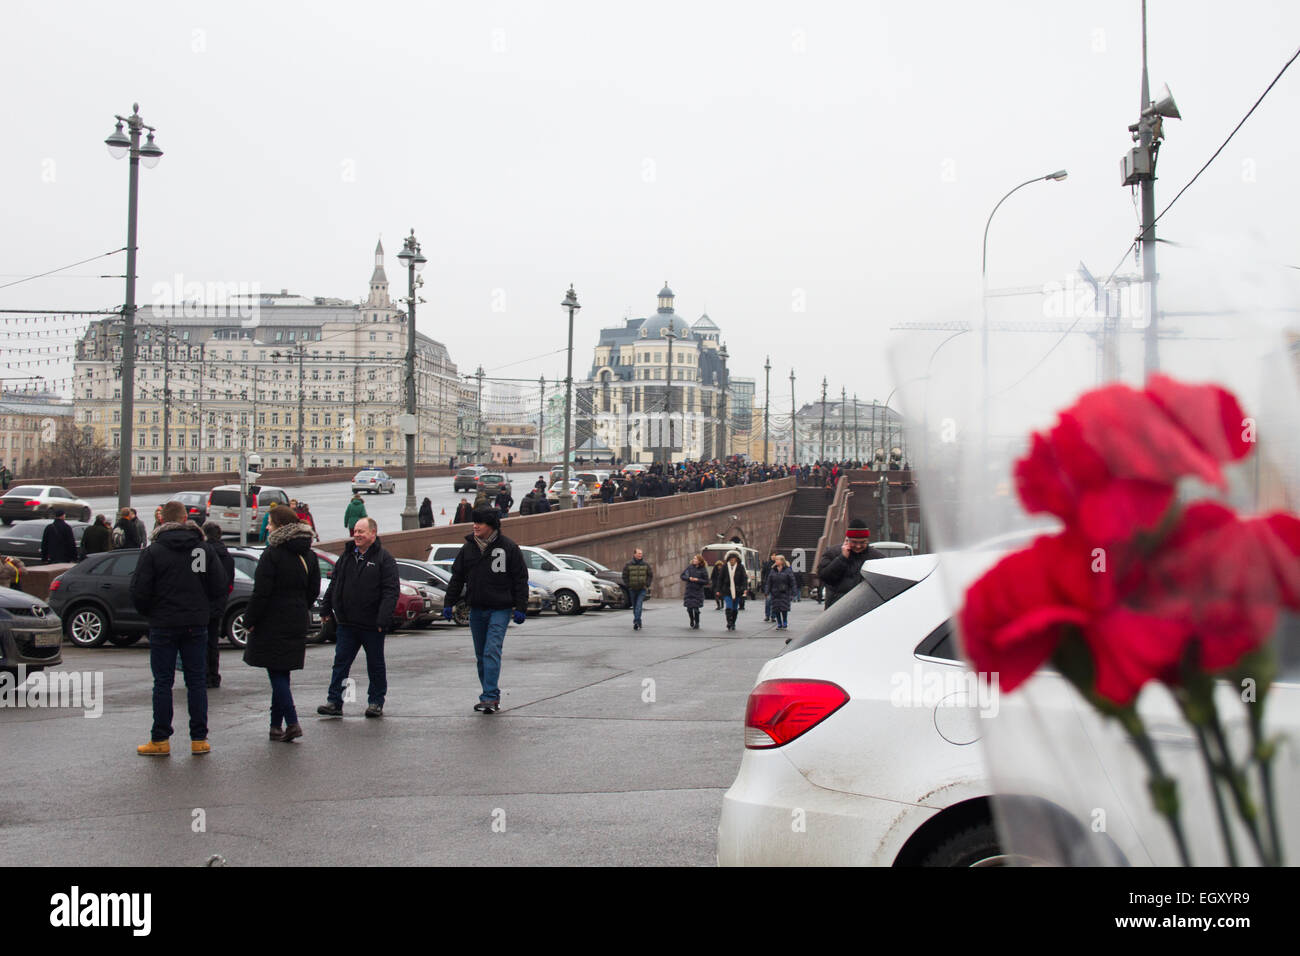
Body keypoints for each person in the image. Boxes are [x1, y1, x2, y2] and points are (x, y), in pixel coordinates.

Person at [131, 500, 229, 756]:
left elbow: (140, 591)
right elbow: (219, 586)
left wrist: (151, 612)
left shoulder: (154, 552)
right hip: (196, 623)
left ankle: (160, 739)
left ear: (162, 519)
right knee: (196, 681)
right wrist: (204, 609)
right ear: (186, 519)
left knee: (163, 682)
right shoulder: (202, 549)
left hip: (163, 623)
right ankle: (199, 739)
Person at [439, 508, 529, 714]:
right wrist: (448, 602)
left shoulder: (508, 548)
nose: (475, 526)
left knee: (491, 650)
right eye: (474, 522)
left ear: (492, 526)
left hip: (500, 608)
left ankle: (489, 697)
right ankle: (490, 693)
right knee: (481, 654)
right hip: (477, 609)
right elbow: (457, 578)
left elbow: (520, 578)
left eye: (480, 523)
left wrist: (520, 607)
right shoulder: (468, 549)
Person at [244, 506, 320, 742]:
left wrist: (250, 620)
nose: (267, 526)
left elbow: (261, 593)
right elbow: (313, 590)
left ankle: (292, 722)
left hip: (272, 621)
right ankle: (275, 726)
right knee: (281, 672)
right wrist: (299, 607)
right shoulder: (308, 554)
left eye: (270, 523)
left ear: (280, 527)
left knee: (276, 673)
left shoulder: (272, 554)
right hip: (296, 619)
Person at [318, 517, 399, 718]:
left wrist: (383, 619)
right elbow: (334, 584)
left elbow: (391, 591)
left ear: (373, 533)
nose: (357, 535)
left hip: (372, 625)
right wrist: (326, 609)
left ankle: (375, 702)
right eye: (355, 531)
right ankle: (334, 701)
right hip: (346, 623)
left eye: (361, 531)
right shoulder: (346, 557)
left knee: (375, 664)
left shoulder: (384, 559)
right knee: (341, 663)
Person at [816, 519, 886, 610]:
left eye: (862, 542)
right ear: (847, 540)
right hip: (837, 609)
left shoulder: (877, 558)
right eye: (854, 542)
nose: (858, 546)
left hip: (865, 608)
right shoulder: (833, 553)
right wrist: (842, 558)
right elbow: (824, 576)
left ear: (867, 540)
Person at [201, 522, 234, 689]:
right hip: (219, 602)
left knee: (201, 641)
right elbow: (230, 582)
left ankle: (205, 675)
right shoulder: (227, 555)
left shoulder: (201, 552)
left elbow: (197, 578)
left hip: (203, 602)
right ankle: (214, 675)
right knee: (213, 641)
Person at [621, 548, 654, 631]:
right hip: (632, 589)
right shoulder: (628, 564)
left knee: (639, 605)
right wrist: (628, 585)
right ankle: (638, 621)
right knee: (635, 606)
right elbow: (624, 576)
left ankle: (636, 621)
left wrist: (647, 584)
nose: (640, 555)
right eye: (639, 553)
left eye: (641, 553)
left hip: (642, 589)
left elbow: (650, 575)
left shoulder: (645, 564)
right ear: (634, 554)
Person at [719, 550, 748, 631]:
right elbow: (720, 579)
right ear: (728, 559)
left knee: (735, 608)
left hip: (738, 590)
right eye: (731, 559)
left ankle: (733, 622)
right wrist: (718, 589)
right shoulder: (724, 567)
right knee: (729, 607)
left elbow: (744, 579)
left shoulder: (740, 567)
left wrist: (745, 588)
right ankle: (729, 622)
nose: (732, 561)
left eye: (734, 559)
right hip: (727, 590)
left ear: (737, 559)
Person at [766, 554, 797, 630]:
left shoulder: (787, 570)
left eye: (777, 559)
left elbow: (792, 581)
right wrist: (767, 591)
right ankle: (779, 622)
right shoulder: (773, 570)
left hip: (784, 592)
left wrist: (794, 591)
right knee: (776, 608)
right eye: (775, 559)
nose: (776, 561)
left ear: (782, 561)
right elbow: (769, 582)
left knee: (784, 608)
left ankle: (785, 621)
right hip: (775, 592)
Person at [679, 553, 710, 629]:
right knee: (689, 608)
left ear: (699, 561)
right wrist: (688, 578)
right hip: (689, 590)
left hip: (698, 591)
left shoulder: (703, 569)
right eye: (694, 558)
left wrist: (697, 580)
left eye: (695, 559)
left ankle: (697, 622)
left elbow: (706, 581)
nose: (694, 560)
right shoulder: (689, 568)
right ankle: (691, 619)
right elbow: (682, 576)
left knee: (696, 609)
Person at [760, 551, 778, 622]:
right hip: (768, 585)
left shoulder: (778, 565)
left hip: (776, 585)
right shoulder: (767, 564)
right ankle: (767, 615)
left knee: (774, 602)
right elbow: (763, 573)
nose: (773, 557)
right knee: (768, 601)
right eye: (772, 555)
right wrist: (763, 583)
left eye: (775, 555)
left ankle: (773, 616)